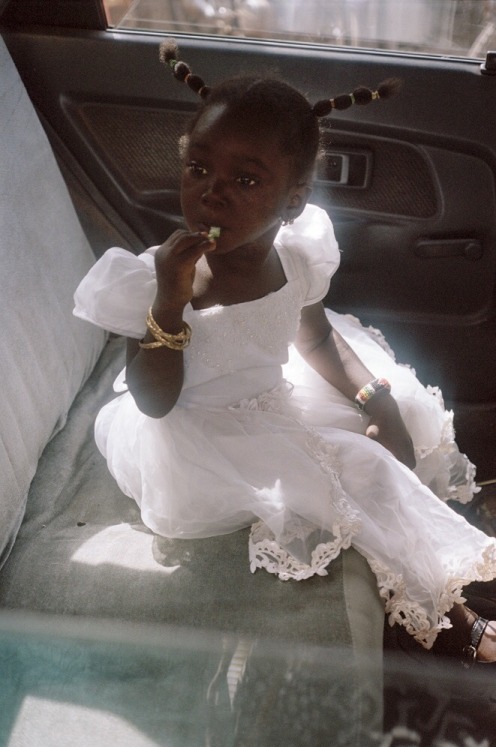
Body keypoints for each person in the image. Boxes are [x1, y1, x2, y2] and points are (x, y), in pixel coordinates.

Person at [74, 40, 496, 665]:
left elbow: (317, 338)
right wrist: (167, 302)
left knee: (396, 412)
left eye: (245, 180)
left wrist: (373, 396)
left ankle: (454, 572)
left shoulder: (295, 256)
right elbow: (155, 400)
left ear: (292, 200)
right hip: (200, 435)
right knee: (363, 475)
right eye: (199, 170)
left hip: (274, 394)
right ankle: (447, 621)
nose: (212, 194)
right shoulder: (163, 280)